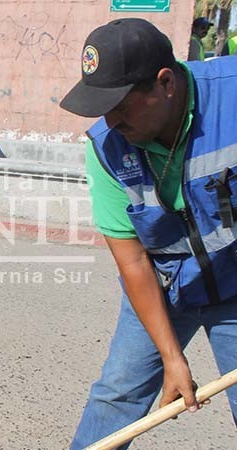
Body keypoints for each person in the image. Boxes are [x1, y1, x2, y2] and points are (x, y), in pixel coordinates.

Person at [60, 18, 237, 448]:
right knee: (117, 395)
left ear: (165, 83)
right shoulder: (107, 148)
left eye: (121, 105)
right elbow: (133, 260)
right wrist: (172, 358)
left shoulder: (232, 99)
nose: (111, 121)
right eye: (103, 107)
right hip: (166, 283)